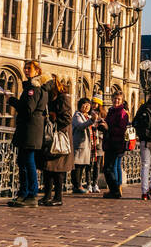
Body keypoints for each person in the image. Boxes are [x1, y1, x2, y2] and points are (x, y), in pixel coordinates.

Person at [8, 61, 48, 207]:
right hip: (31, 129)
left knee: (28, 162)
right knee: (23, 162)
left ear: (37, 70)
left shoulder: (34, 88)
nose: (25, 70)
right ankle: (23, 193)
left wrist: (12, 101)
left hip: (30, 130)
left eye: (29, 68)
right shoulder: (37, 88)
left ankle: (31, 194)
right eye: (25, 68)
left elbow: (27, 109)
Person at [41, 77, 73, 206]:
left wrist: (54, 118)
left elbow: (67, 119)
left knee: (58, 170)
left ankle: (58, 197)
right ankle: (47, 195)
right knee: (47, 168)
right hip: (51, 136)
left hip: (60, 137)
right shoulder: (51, 98)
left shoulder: (63, 98)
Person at [102, 93, 130, 199]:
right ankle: (114, 190)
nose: (116, 101)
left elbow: (121, 130)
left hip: (116, 143)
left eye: (118, 99)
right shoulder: (111, 111)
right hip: (109, 142)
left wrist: (108, 127)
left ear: (122, 101)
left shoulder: (122, 113)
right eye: (114, 99)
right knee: (108, 168)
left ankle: (115, 191)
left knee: (109, 168)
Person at [70, 96, 95, 195]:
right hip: (79, 145)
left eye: (88, 105)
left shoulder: (87, 116)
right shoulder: (77, 115)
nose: (86, 107)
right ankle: (76, 185)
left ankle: (79, 184)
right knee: (77, 166)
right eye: (84, 104)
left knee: (83, 165)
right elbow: (81, 126)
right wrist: (92, 121)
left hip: (86, 145)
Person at [87, 100, 106, 193]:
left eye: (96, 103)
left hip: (99, 141)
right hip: (90, 141)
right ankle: (88, 184)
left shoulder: (102, 114)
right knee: (89, 164)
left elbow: (105, 127)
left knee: (97, 165)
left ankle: (95, 183)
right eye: (93, 103)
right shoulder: (88, 114)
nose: (94, 105)